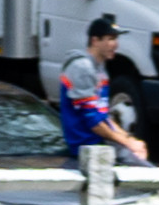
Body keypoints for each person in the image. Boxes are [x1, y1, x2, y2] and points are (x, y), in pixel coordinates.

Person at [57, 15, 150, 166]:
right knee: (148, 176)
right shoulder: (82, 68)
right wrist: (127, 143)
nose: (115, 44)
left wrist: (130, 139)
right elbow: (92, 121)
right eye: (110, 39)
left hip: (102, 145)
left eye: (116, 39)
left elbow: (103, 116)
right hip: (88, 149)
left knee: (146, 172)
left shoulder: (100, 70)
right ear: (95, 41)